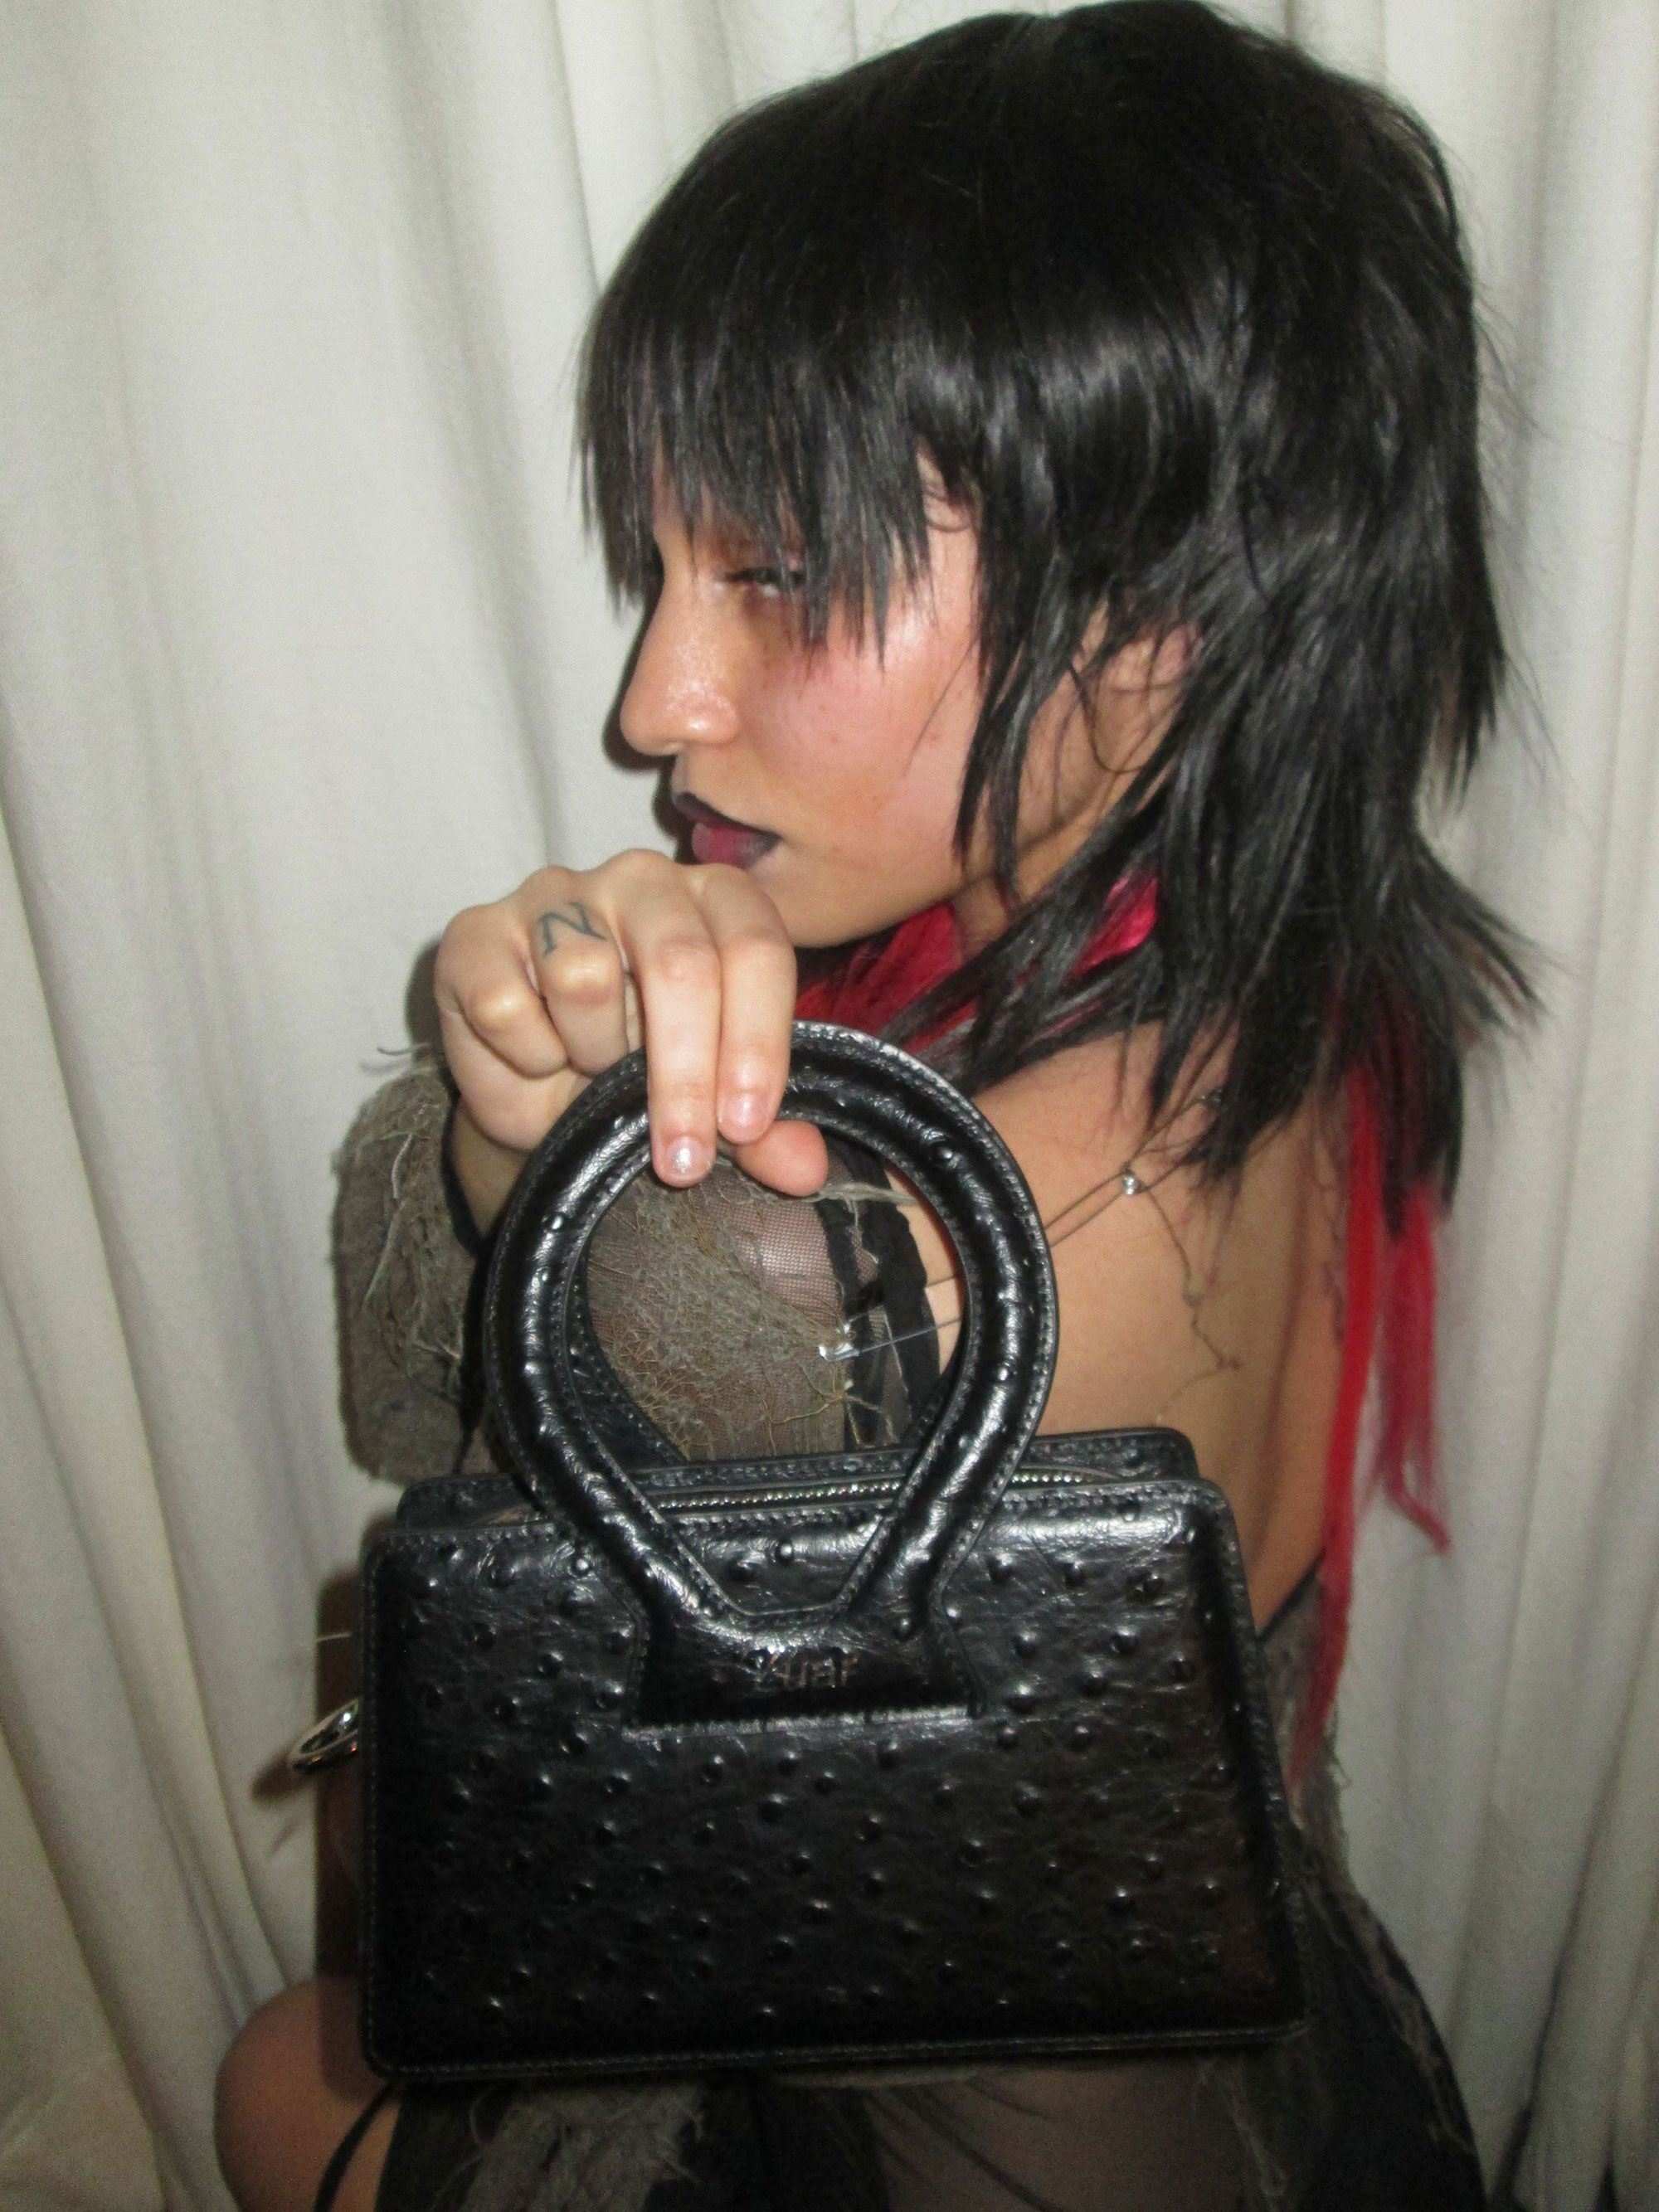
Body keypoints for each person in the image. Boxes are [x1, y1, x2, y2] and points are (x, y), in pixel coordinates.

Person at [216, 4, 1529, 2206]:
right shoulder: (1280, 958)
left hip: (902, 2156)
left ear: (1157, 621)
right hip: (1233, 2056)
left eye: (777, 576)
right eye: (663, 567)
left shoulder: (886, 1253)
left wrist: (524, 1124)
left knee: (278, 2083)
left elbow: (414, 1397)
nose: (656, 699)